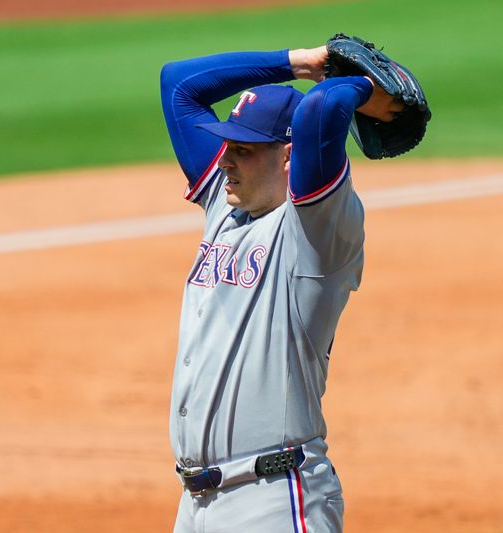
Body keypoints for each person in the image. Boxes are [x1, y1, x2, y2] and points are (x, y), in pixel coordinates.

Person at [160, 43, 404, 533]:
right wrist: (303, 61)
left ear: (289, 156)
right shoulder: (225, 207)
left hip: (273, 500)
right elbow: (179, 85)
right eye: (228, 145)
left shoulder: (316, 231)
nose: (226, 159)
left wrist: (365, 91)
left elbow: (319, 111)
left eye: (244, 150)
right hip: (195, 508)